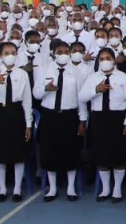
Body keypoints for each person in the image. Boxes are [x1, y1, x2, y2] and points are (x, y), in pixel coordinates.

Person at [33, 40, 87, 202]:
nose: (63, 55)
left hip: (69, 116)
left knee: (71, 151)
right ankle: (53, 187)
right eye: (59, 52)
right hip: (50, 116)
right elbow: (36, 94)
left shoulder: (76, 72)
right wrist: (45, 89)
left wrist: (82, 120)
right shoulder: (44, 70)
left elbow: (81, 98)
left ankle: (71, 188)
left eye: (66, 52)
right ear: (53, 53)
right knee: (50, 151)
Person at [79, 47, 126, 202]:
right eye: (101, 58)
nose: (105, 61)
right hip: (99, 119)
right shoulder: (93, 77)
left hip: (118, 119)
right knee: (101, 155)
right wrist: (96, 90)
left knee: (119, 156)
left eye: (108, 58)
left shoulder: (123, 77)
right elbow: (82, 97)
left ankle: (117, 189)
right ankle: (105, 188)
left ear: (113, 59)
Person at [0, 41, 32, 203]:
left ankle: (17, 188)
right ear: (0, 56)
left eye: (13, 52)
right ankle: (2, 189)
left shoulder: (22, 74)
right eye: (6, 53)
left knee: (18, 153)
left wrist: (28, 123)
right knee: (0, 152)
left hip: (16, 113)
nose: (10, 56)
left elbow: (27, 100)